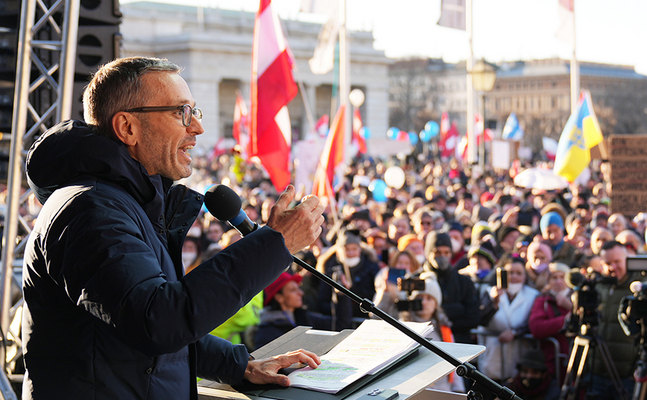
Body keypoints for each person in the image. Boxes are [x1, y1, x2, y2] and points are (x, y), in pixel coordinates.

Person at [22, 57, 325, 400]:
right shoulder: (89, 210)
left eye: (195, 112)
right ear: (127, 128)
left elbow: (137, 329)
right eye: (182, 112)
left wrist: (237, 366)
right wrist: (275, 243)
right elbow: (158, 320)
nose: (196, 128)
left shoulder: (123, 201)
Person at [582, 240, 638, 398]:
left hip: (626, 378)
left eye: (617, 262)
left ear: (627, 259)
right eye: (608, 263)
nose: (613, 267)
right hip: (595, 375)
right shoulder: (597, 287)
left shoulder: (639, 288)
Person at [399, 272, 465, 394]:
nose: (424, 303)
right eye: (420, 298)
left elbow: (456, 359)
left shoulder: (443, 328)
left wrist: (458, 389)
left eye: (429, 298)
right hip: (414, 391)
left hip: (442, 390)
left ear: (436, 303)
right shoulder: (404, 326)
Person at [477, 257, 539, 382]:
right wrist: (493, 303)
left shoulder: (533, 295)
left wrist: (515, 332)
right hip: (492, 355)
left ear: (525, 277)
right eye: (510, 273)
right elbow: (479, 319)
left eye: (519, 273)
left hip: (519, 354)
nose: (514, 277)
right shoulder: (489, 292)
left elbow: (533, 322)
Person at [254, 273, 351, 350]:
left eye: (299, 288)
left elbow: (340, 325)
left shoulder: (303, 317)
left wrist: (342, 295)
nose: (301, 293)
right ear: (279, 297)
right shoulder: (266, 332)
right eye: (293, 290)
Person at [422, 231, 479, 344]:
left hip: (459, 343)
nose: (442, 256)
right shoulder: (419, 280)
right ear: (428, 254)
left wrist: (439, 314)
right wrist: (457, 309)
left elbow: (473, 317)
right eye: (437, 252)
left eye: (446, 252)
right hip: (426, 341)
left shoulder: (464, 282)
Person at [528, 262, 573, 385]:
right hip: (553, 361)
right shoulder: (543, 300)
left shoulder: (577, 297)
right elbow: (536, 327)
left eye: (562, 277)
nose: (558, 281)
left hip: (577, 358)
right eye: (554, 277)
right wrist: (564, 320)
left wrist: (571, 307)